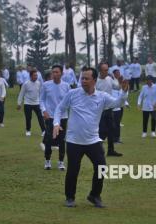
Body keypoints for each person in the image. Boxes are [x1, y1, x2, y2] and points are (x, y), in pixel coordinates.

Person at [53, 67, 129, 208]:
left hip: (92, 140)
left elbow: (118, 102)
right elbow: (59, 108)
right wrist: (56, 123)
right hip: (74, 141)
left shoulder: (102, 97)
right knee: (73, 170)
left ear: (94, 80)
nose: (83, 81)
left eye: (87, 78)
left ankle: (94, 196)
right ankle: (70, 197)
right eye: (82, 78)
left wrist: (124, 92)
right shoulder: (73, 94)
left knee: (101, 167)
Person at [40, 65, 70, 170]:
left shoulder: (66, 86)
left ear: (61, 73)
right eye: (53, 72)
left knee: (62, 140)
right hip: (50, 117)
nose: (55, 74)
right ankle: (47, 160)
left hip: (63, 117)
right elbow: (41, 100)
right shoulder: (46, 85)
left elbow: (69, 101)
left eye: (57, 72)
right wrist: (44, 111)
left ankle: (61, 162)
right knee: (49, 139)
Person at [96, 62, 123, 156]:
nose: (107, 72)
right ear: (100, 70)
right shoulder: (95, 81)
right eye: (105, 70)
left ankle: (111, 151)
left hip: (109, 109)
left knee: (112, 129)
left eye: (107, 70)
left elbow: (118, 87)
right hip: (99, 110)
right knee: (102, 131)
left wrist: (120, 81)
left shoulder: (109, 79)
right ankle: (97, 149)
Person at [17, 69, 45, 137]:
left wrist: (42, 102)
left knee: (40, 117)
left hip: (37, 103)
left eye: (36, 75)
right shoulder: (26, 84)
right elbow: (21, 94)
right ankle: (28, 130)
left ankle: (44, 131)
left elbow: (41, 93)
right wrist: (19, 103)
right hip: (27, 103)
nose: (36, 77)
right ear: (30, 76)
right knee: (28, 118)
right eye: (34, 75)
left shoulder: (38, 83)